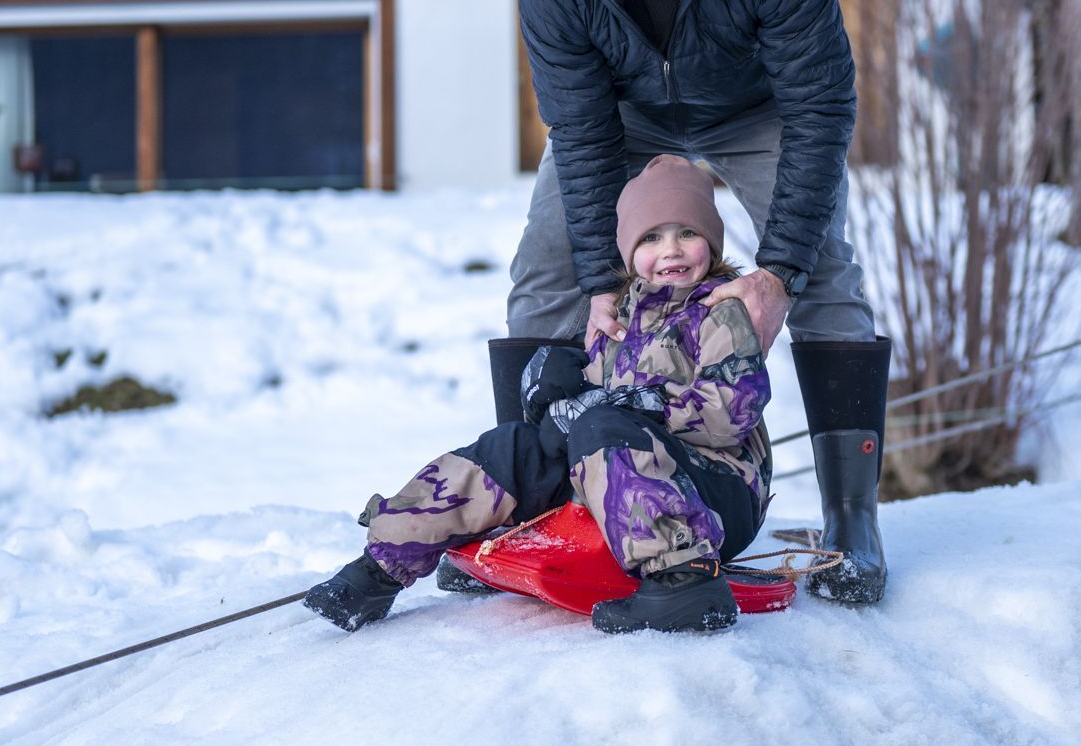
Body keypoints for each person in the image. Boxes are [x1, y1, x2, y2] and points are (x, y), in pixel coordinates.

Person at [494, 0, 892, 604]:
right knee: (547, 266)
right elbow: (581, 128)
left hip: (758, 111)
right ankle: (531, 504)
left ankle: (854, 521)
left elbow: (821, 107)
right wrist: (602, 282)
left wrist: (779, 270)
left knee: (826, 274)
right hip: (625, 118)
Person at [305, 155, 772, 635]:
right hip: (625, 487)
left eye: (686, 234)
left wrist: (637, 405)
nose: (670, 250)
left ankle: (683, 586)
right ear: (628, 251)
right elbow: (591, 409)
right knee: (514, 446)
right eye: (651, 237)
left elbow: (730, 413)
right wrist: (557, 398)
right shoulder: (617, 319)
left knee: (602, 424)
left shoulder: (721, 312)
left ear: (711, 243)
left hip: (715, 494)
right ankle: (383, 565)